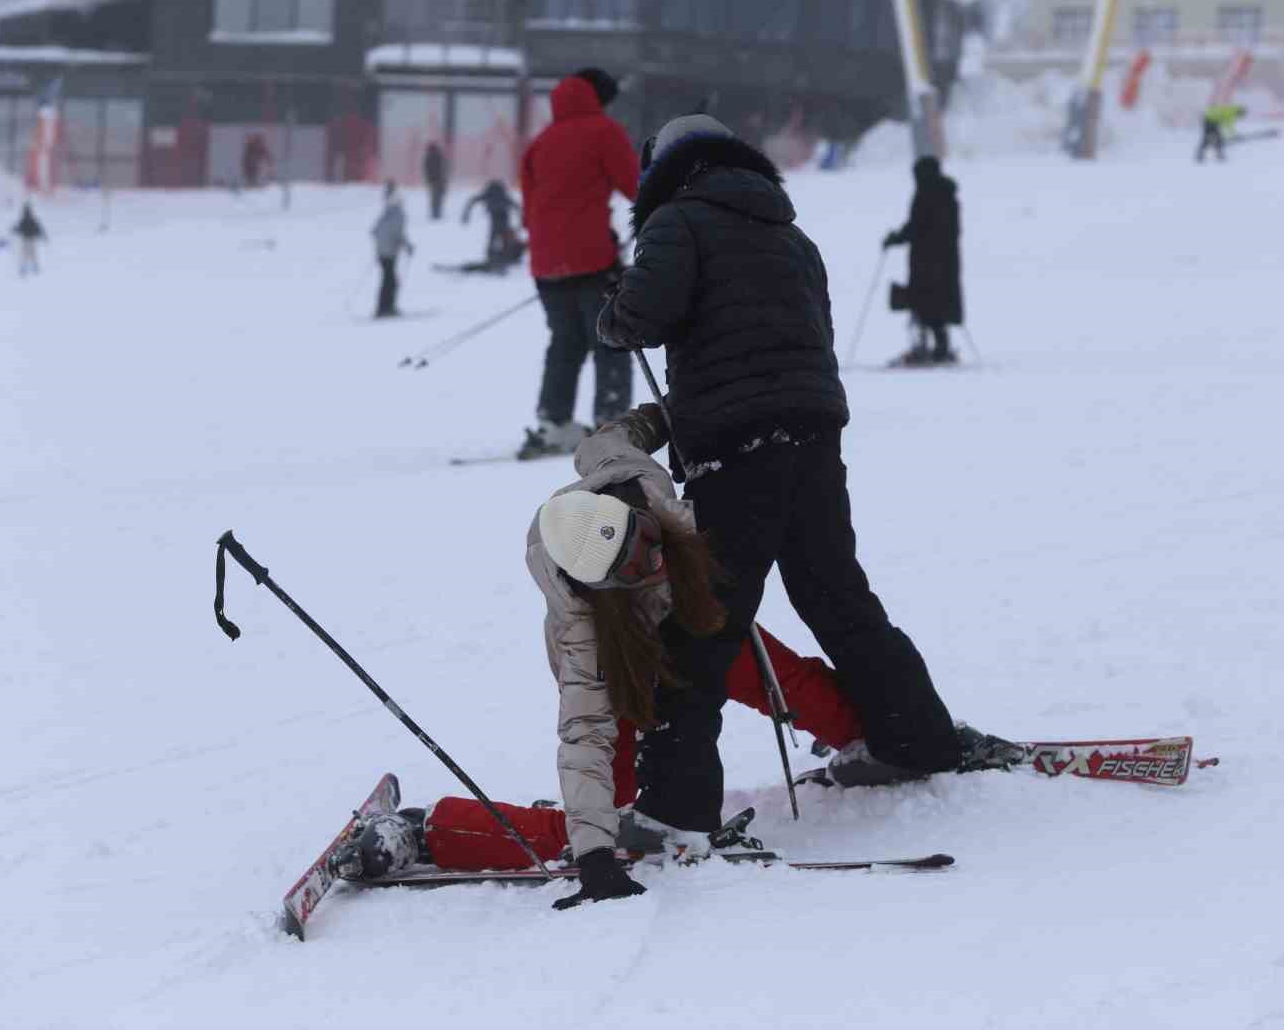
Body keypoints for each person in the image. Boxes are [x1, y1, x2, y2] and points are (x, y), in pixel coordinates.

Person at [596, 114, 1019, 851]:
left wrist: (614, 310)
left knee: (700, 620)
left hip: (733, 448)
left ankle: (674, 808)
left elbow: (643, 316)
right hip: (815, 435)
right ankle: (917, 738)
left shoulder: (676, 222)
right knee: (836, 594)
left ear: (661, 170)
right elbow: (807, 334)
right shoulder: (793, 236)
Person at [329, 406, 924, 908]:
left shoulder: (633, 481)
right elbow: (583, 730)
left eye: (649, 549)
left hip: (693, 616)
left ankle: (873, 734)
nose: (654, 567)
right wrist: (594, 858)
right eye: (637, 574)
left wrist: (671, 413)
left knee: (774, 672)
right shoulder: (582, 621)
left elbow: (610, 438)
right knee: (617, 824)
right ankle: (433, 830)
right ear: (603, 587)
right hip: (626, 658)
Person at [518, 67, 640, 459]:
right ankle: (612, 421)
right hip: (593, 260)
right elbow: (637, 186)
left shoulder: (539, 144)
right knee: (610, 338)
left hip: (545, 265)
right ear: (599, 97)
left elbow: (529, 208)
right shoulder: (604, 131)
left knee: (564, 342)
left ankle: (553, 422)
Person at [883, 156, 963, 366]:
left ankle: (926, 348)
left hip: (927, 263)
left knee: (924, 303)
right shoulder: (948, 196)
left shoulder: (926, 194)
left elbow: (916, 227)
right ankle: (938, 347)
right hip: (945, 262)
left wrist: (896, 238)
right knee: (937, 305)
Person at [370, 181, 413, 318]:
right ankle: (386, 308)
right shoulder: (398, 214)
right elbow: (397, 234)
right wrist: (407, 246)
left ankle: (383, 307)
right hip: (388, 252)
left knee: (388, 279)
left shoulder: (387, 212)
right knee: (391, 281)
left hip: (382, 251)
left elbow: (374, 231)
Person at [460, 179, 523, 272]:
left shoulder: (489, 195)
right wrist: (522, 220)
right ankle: (500, 261)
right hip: (502, 222)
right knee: (500, 241)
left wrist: (466, 215)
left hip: (498, 222)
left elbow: (473, 201)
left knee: (495, 240)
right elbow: (516, 207)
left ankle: (496, 260)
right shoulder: (503, 196)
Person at [13, 202, 46, 277]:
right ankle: (31, 267)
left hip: (28, 239)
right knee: (31, 253)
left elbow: (19, 228)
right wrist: (42, 235)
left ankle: (28, 267)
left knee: (27, 254)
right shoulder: (30, 219)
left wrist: (15, 229)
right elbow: (38, 229)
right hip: (29, 239)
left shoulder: (26, 219)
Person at [423, 141, 448, 221]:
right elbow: (444, 168)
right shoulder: (440, 156)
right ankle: (437, 214)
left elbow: (426, 170)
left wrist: (428, 179)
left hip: (434, 181)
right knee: (438, 198)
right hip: (439, 181)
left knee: (435, 198)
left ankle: (435, 214)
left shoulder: (429, 157)